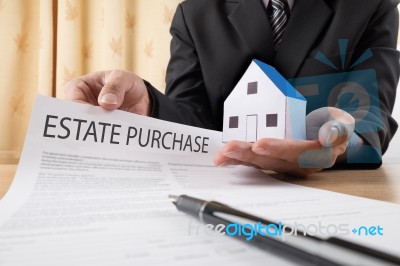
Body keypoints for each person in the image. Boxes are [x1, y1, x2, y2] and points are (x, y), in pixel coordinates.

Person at [65, 0, 399, 176]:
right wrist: (151, 107)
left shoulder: (371, 5)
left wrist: (341, 142)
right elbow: (191, 114)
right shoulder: (194, 14)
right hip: (227, 188)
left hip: (332, 193)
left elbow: (368, 117)